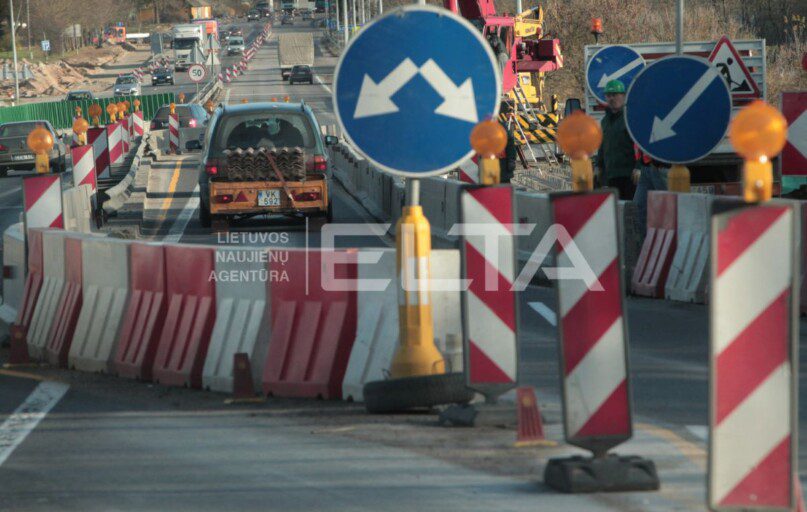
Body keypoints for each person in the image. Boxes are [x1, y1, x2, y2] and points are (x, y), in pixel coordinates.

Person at [595, 80, 636, 199]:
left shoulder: (630, 118)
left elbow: (640, 146)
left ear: (623, 96)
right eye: (609, 95)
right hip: (612, 175)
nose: (612, 98)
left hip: (630, 175)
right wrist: (598, 166)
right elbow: (602, 146)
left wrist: (638, 167)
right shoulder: (605, 121)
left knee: (629, 209)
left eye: (615, 95)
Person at [632, 145, 668, 237]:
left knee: (667, 207)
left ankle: (668, 241)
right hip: (646, 167)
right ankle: (645, 245)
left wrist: (657, 162)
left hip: (660, 166)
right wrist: (639, 165)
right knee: (638, 207)